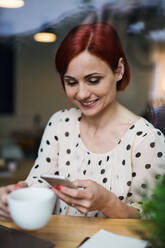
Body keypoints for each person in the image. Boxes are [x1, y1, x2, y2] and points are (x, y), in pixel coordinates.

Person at [0, 23, 165, 221]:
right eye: (71, 82)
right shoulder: (60, 124)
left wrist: (107, 203)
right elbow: (39, 182)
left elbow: (151, 222)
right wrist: (17, 193)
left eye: (93, 80)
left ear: (119, 70)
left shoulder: (146, 139)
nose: (82, 93)